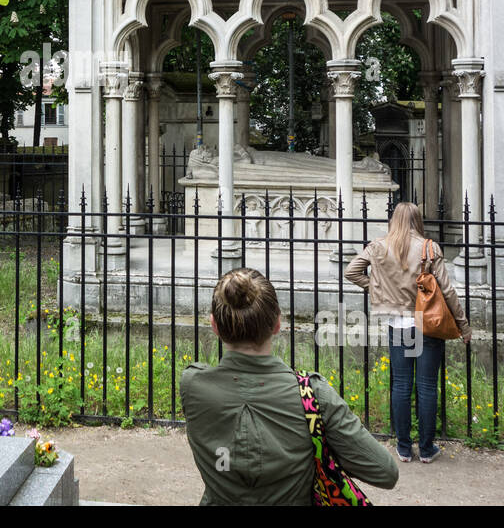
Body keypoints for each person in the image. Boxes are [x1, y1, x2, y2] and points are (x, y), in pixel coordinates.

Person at [180, 267, 399, 504]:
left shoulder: (192, 384)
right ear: (277, 324)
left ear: (214, 326)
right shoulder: (312, 394)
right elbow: (385, 472)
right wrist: (321, 446)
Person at [345, 202, 471, 463]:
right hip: (427, 323)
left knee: (401, 385)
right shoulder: (428, 247)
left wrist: (377, 289)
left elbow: (351, 271)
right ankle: (426, 449)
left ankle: (403, 448)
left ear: (394, 220)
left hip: (398, 325)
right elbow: (446, 290)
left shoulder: (378, 246)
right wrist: (463, 324)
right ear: (417, 220)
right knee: (426, 386)